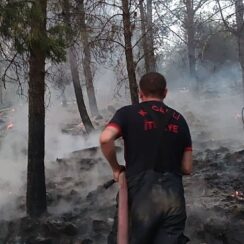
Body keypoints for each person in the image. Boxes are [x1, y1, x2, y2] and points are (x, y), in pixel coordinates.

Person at [99, 72, 192, 244]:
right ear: (165, 92)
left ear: (140, 93)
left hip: (140, 194)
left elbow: (105, 138)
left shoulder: (127, 113)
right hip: (173, 195)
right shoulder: (180, 120)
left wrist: (115, 168)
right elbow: (187, 167)